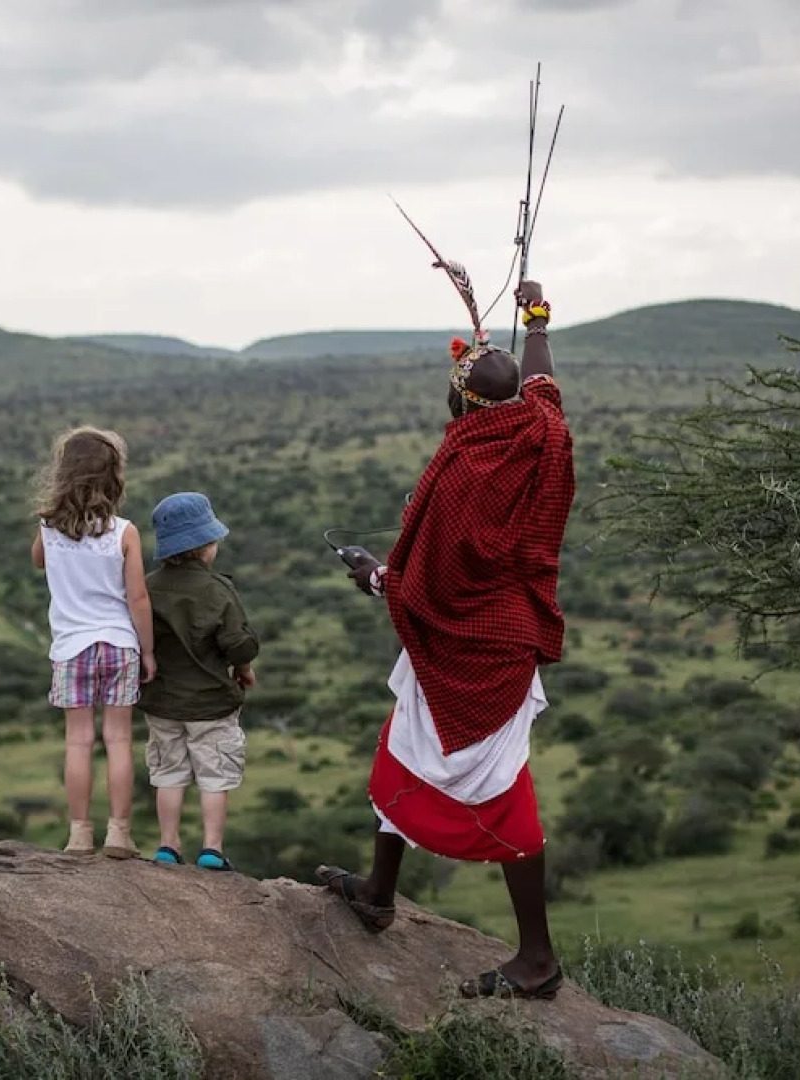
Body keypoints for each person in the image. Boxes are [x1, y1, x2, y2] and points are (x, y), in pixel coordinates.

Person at [316, 278, 575, 1001]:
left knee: (500, 785)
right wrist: (536, 317)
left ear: (461, 401)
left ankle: (537, 959)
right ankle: (376, 893)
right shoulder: (544, 429)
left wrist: (374, 577)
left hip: (474, 648)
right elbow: (544, 376)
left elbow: (426, 586)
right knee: (401, 746)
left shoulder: (462, 469)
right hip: (503, 635)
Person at [31, 426, 156, 859]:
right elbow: (138, 598)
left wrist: (55, 528)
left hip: (71, 648)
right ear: (114, 478)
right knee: (119, 740)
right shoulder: (125, 532)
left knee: (78, 741)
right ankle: (119, 832)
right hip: (120, 644)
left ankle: (79, 834)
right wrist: (149, 651)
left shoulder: (48, 528)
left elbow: (38, 561)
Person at [138, 492, 259, 870]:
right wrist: (244, 668)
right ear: (207, 546)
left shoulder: (147, 587)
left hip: (161, 702)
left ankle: (167, 846)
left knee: (168, 774)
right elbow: (238, 645)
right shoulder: (217, 590)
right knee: (214, 775)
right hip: (210, 704)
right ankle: (212, 849)